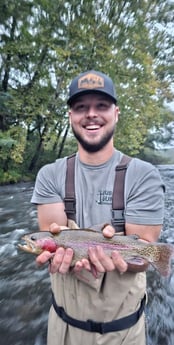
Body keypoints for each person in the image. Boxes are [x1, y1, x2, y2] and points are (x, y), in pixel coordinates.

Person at [31, 70, 165, 345]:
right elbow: (56, 245)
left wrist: (126, 261)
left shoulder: (144, 175)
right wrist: (56, 253)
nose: (91, 114)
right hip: (62, 329)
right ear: (70, 116)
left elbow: (144, 257)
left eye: (101, 106)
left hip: (124, 332)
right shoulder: (50, 175)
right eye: (81, 107)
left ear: (116, 113)